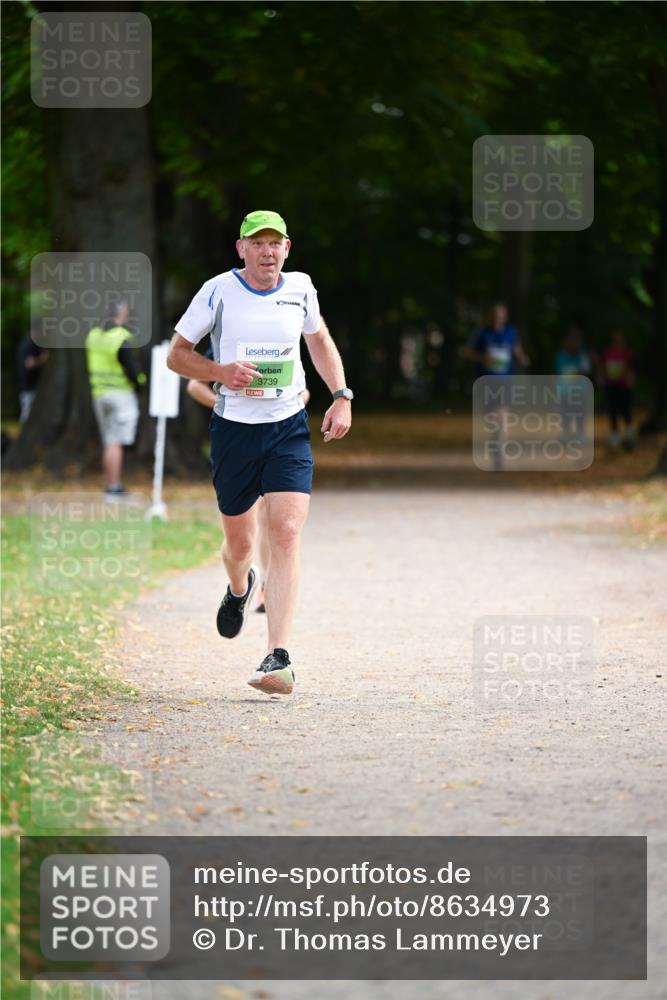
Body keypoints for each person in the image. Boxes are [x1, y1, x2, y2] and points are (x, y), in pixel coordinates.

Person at [168, 210, 352, 695]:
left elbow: (319, 340)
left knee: (287, 532)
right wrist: (219, 371)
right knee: (241, 547)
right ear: (241, 248)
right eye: (258, 243)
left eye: (276, 243)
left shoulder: (302, 289)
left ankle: (278, 657)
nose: (268, 252)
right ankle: (238, 586)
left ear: (287, 249)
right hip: (234, 431)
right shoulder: (217, 291)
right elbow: (175, 354)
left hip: (287, 425)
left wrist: (340, 395)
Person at [186, 356, 310, 615]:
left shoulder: (284, 333)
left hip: (277, 436)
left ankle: (267, 583)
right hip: (237, 435)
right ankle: (240, 583)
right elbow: (194, 385)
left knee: (274, 519)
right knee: (240, 540)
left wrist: (283, 406)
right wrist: (225, 402)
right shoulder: (227, 332)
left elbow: (303, 390)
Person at [85, 301, 145, 497]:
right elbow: (133, 370)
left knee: (109, 441)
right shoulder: (121, 338)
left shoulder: (93, 336)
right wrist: (141, 382)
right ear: (122, 313)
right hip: (120, 395)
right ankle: (114, 487)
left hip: (99, 395)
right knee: (116, 442)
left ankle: (111, 483)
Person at [460, 302, 530, 468]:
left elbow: (516, 347)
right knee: (492, 418)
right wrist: (482, 358)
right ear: (489, 317)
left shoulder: (510, 332)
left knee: (503, 415)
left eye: (500, 316)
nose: (497, 319)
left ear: (505, 317)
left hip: (504, 380)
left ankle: (499, 453)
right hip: (486, 381)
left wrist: (522, 357)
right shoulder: (482, 334)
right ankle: (495, 443)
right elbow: (466, 351)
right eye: (494, 316)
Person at [554, 326, 595, 442]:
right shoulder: (561, 355)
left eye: (576, 340)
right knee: (565, 412)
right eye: (571, 340)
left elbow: (587, 370)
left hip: (579, 390)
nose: (573, 343)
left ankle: (580, 433)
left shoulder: (583, 355)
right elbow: (556, 372)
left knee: (579, 412)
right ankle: (566, 434)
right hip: (564, 390)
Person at [600, 330, 636, 449]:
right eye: (615, 340)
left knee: (626, 410)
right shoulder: (607, 353)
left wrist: (630, 380)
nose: (617, 342)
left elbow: (631, 369)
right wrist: (602, 379)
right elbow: (603, 367)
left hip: (624, 386)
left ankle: (629, 432)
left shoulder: (628, 354)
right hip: (611, 386)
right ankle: (615, 435)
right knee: (613, 411)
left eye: (620, 340)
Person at [16, 331, 48, 423]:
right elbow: (29, 364)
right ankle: (24, 432)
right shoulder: (28, 345)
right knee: (27, 411)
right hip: (28, 386)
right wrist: (42, 360)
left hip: (30, 385)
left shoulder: (27, 344)